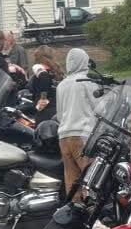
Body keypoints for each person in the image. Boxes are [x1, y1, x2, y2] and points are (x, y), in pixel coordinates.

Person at [55, 48, 98, 199]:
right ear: (84, 61)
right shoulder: (87, 82)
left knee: (72, 179)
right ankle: (92, 209)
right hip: (82, 134)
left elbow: (60, 114)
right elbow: (100, 108)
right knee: (90, 178)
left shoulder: (61, 85)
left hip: (64, 136)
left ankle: (74, 207)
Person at [29, 47, 61, 122]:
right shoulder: (56, 72)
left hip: (46, 112)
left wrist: (43, 98)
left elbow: (44, 82)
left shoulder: (42, 72)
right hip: (58, 108)